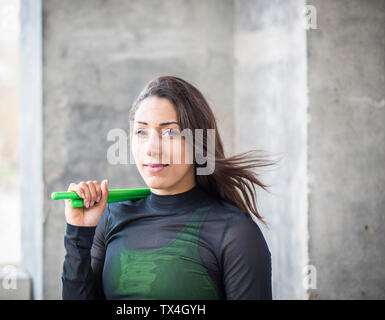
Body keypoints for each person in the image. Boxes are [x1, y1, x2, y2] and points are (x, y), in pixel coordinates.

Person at [61, 75, 275, 300]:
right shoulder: (112, 216)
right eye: (141, 132)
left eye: (170, 132)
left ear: (198, 142)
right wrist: (79, 233)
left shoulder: (235, 233)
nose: (152, 149)